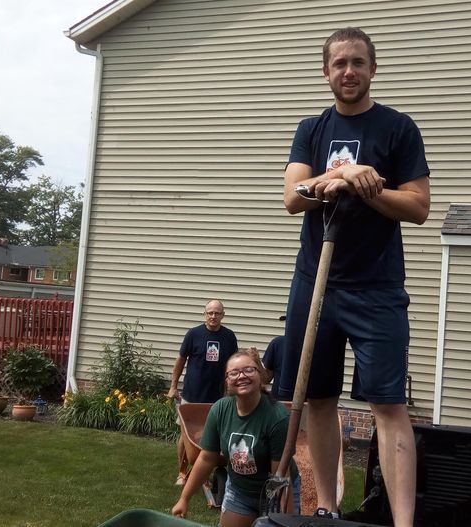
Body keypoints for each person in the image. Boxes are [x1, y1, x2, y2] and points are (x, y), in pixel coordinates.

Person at [280, 27, 430, 527]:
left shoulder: (398, 128)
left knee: (388, 404)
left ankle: (402, 522)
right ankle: (327, 507)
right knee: (318, 398)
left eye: (358, 62)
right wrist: (337, 178)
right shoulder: (311, 129)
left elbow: (418, 206)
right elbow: (291, 197)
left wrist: (368, 188)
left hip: (376, 287)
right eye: (339, 63)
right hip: (315, 283)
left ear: (373, 68)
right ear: (326, 72)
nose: (349, 71)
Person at [172, 350, 297, 526]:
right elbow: (207, 458)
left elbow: (281, 477)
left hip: (274, 491)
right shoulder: (220, 410)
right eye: (234, 373)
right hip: (239, 491)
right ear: (227, 382)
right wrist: (184, 498)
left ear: (260, 375)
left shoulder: (278, 417)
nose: (242, 376)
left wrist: (284, 519)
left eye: (249, 370)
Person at [168, 299, 239, 485]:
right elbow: (180, 360)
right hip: (191, 396)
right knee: (185, 438)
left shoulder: (229, 337)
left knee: (211, 438)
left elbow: (232, 365)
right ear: (204, 314)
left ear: (223, 315)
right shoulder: (194, 334)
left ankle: (204, 473)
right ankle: (182, 473)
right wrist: (173, 386)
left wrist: (233, 390)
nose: (213, 316)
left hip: (217, 398)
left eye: (217, 313)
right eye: (210, 313)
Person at [261, 316, 287, 399]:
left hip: (308, 405)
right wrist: (256, 361)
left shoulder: (315, 346)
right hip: (279, 403)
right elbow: (265, 379)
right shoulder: (277, 343)